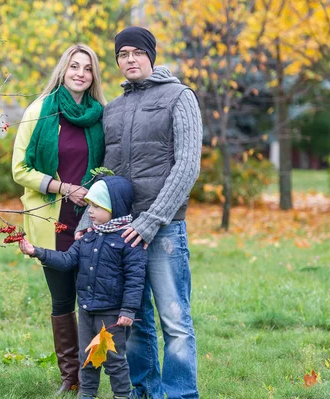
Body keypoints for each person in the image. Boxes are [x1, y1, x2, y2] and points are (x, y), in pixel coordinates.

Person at [86, 27, 203, 399]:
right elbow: (106, 169)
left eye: (137, 52)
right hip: (121, 231)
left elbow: (187, 165)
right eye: (122, 54)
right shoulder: (114, 109)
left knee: (174, 319)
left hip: (163, 228)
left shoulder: (179, 96)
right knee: (133, 320)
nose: (130, 60)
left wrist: (152, 220)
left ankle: (181, 394)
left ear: (151, 55)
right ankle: (144, 390)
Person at [11, 44, 107, 394]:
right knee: (63, 299)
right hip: (52, 220)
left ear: (94, 75)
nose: (80, 73)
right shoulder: (41, 111)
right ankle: (71, 377)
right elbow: (20, 169)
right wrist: (63, 187)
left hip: (93, 220)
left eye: (87, 68)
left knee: (95, 299)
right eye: (74, 66)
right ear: (63, 71)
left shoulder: (99, 114)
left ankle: (93, 373)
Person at [19, 176, 147, 399]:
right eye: (90, 205)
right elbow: (67, 260)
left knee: (115, 361)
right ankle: (87, 394)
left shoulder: (129, 241)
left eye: (97, 206)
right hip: (87, 311)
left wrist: (128, 310)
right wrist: (37, 252)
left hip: (113, 315)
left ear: (114, 207)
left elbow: (135, 280)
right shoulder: (87, 239)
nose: (90, 211)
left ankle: (122, 396)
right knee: (87, 358)